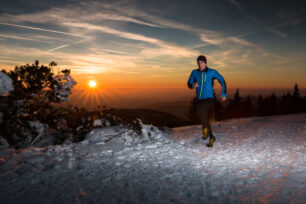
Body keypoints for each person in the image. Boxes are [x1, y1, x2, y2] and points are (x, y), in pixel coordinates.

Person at [187, 55, 227, 147]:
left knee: (200, 109)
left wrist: (224, 94)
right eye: (198, 63)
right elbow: (188, 83)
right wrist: (193, 85)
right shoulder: (194, 72)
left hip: (209, 99)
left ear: (205, 63)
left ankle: (205, 129)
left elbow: (222, 80)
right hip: (199, 100)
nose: (200, 64)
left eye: (202, 62)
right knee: (205, 118)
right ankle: (211, 137)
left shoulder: (212, 72)